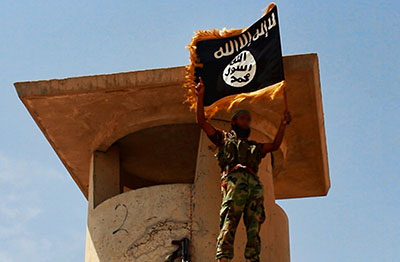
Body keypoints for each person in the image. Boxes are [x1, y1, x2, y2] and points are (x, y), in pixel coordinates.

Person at [194, 77, 292, 262]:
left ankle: (252, 258)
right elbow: (202, 122)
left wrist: (283, 124)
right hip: (235, 181)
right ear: (233, 122)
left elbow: (275, 145)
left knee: (254, 225)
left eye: (247, 119)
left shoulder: (255, 147)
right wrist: (201, 96)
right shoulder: (224, 139)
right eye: (242, 118)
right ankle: (223, 257)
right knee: (230, 219)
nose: (246, 122)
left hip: (253, 183)